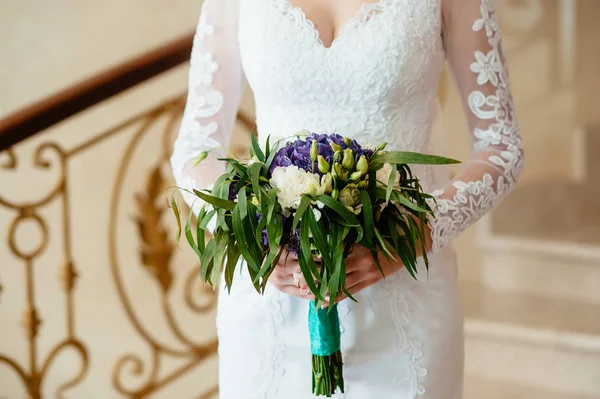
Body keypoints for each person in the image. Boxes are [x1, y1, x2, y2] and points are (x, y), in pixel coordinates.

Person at [170, 0, 524, 397]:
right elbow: (196, 147)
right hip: (271, 296)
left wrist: (414, 235)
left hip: (403, 297)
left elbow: (501, 147)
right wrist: (253, 236)